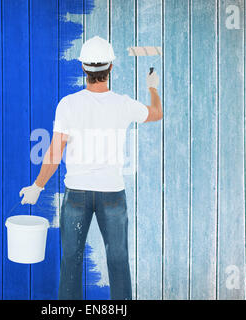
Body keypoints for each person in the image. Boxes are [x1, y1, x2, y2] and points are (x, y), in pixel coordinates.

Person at [19, 36, 163, 300]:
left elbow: (54, 152)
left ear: (83, 68)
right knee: (118, 261)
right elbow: (156, 113)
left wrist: (37, 186)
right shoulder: (123, 104)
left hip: (77, 195)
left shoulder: (68, 105)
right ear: (111, 69)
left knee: (71, 262)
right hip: (112, 195)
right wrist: (152, 87)